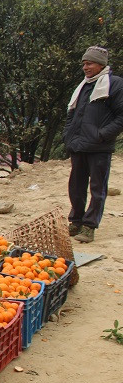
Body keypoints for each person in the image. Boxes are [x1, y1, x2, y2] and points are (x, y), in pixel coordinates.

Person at [63, 45, 123, 243]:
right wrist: (69, 134)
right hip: (79, 144)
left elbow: (121, 117)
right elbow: (72, 113)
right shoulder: (84, 85)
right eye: (84, 64)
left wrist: (102, 135)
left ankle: (90, 226)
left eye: (89, 63)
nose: (85, 67)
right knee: (76, 186)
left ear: (100, 64)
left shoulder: (114, 84)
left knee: (97, 188)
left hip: (99, 146)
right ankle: (76, 220)